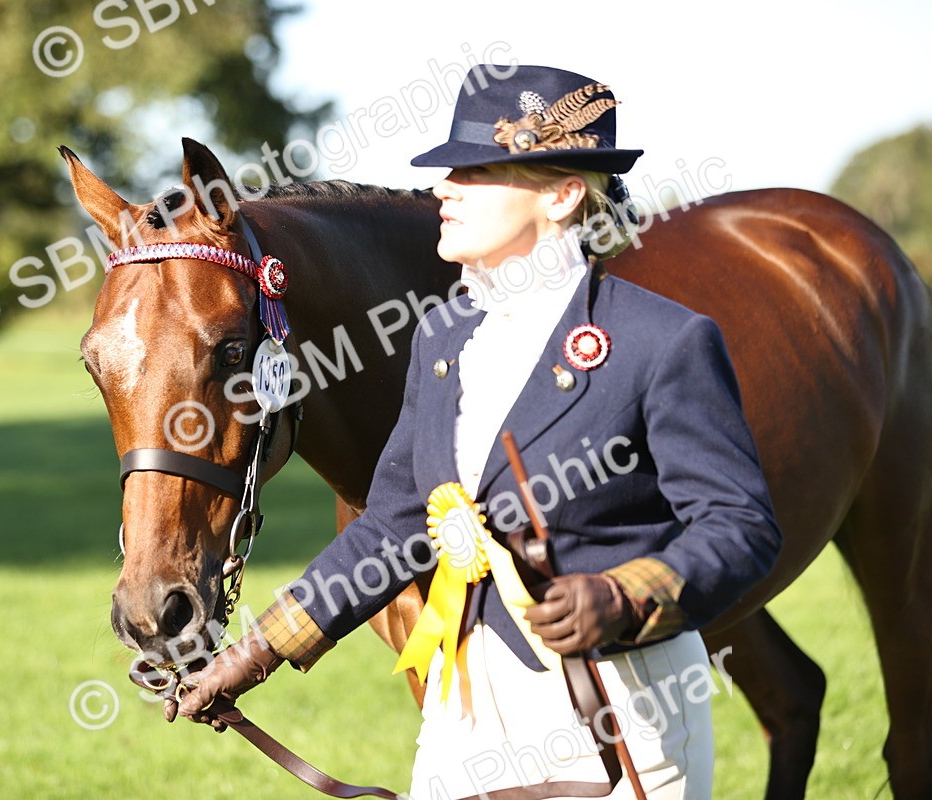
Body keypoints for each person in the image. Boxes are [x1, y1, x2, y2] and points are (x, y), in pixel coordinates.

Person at [166, 64, 782, 800]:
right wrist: (254, 653)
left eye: (477, 172)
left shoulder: (663, 341)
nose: (444, 189)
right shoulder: (442, 338)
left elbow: (741, 527)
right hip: (464, 703)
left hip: (624, 707)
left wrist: (623, 597)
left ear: (561, 195)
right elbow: (393, 523)